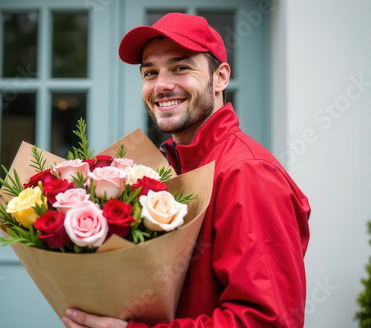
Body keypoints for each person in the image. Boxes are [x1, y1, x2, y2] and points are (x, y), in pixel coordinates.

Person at [62, 12, 311, 328]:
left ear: (220, 77)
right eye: (150, 73)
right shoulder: (163, 168)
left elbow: (266, 321)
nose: (161, 85)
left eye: (180, 68)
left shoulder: (247, 173)